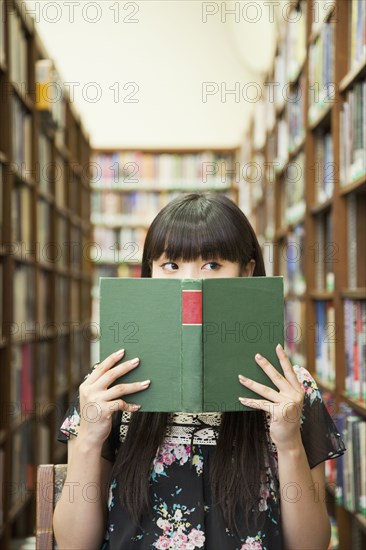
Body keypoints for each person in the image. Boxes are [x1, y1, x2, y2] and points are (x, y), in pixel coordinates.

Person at [54, 192, 345, 550]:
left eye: (212, 264)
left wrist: (288, 445)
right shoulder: (109, 384)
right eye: (171, 266)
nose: (190, 283)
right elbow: (72, 544)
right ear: (149, 274)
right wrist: (89, 439)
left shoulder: (291, 389)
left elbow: (312, 545)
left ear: (247, 271)